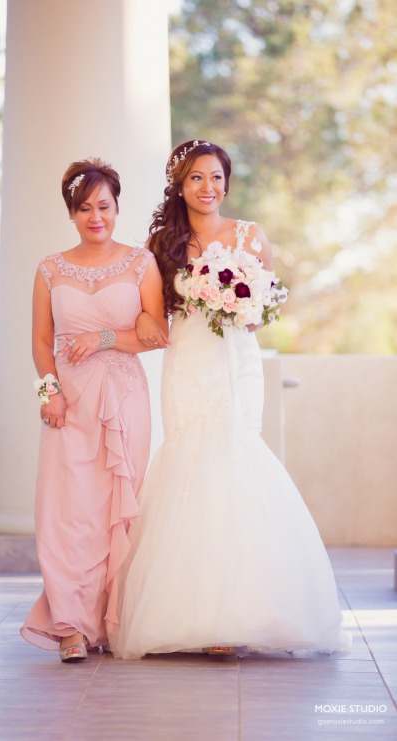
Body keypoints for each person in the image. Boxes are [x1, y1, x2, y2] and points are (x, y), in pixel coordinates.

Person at [110, 140, 351, 659]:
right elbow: (153, 315)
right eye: (196, 177)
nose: (208, 188)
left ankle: (246, 610)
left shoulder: (249, 235)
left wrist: (243, 302)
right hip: (189, 362)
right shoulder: (162, 243)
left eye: (216, 177)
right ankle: (194, 615)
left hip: (238, 363)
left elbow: (266, 308)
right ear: (180, 184)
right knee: (190, 463)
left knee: (237, 457)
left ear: (227, 181)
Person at [20, 158, 168, 662]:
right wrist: (49, 393)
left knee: (115, 513)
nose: (95, 216)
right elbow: (41, 341)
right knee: (67, 513)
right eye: (85, 208)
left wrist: (104, 336)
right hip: (69, 400)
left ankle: (111, 619)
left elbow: (156, 334)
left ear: (117, 207)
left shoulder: (141, 263)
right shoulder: (49, 268)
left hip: (124, 398)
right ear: (72, 212)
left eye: (104, 206)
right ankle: (69, 627)